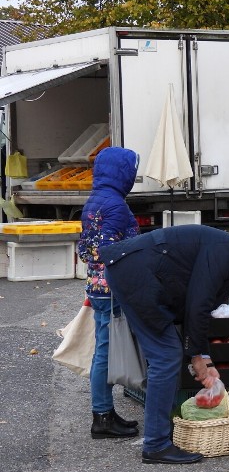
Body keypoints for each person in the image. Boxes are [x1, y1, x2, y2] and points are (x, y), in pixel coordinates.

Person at [100, 225, 229, 464]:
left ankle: (161, 432)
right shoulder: (228, 252)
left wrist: (205, 358)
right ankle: (156, 444)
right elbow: (196, 305)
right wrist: (196, 357)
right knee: (166, 356)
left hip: (135, 272)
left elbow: (201, 309)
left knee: (166, 354)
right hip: (135, 272)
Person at [77, 147, 142, 440]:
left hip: (99, 285)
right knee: (104, 350)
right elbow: (107, 249)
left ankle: (105, 412)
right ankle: (101, 416)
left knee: (104, 348)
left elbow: (85, 249)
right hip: (112, 288)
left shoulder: (95, 200)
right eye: (132, 169)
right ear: (122, 172)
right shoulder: (115, 205)